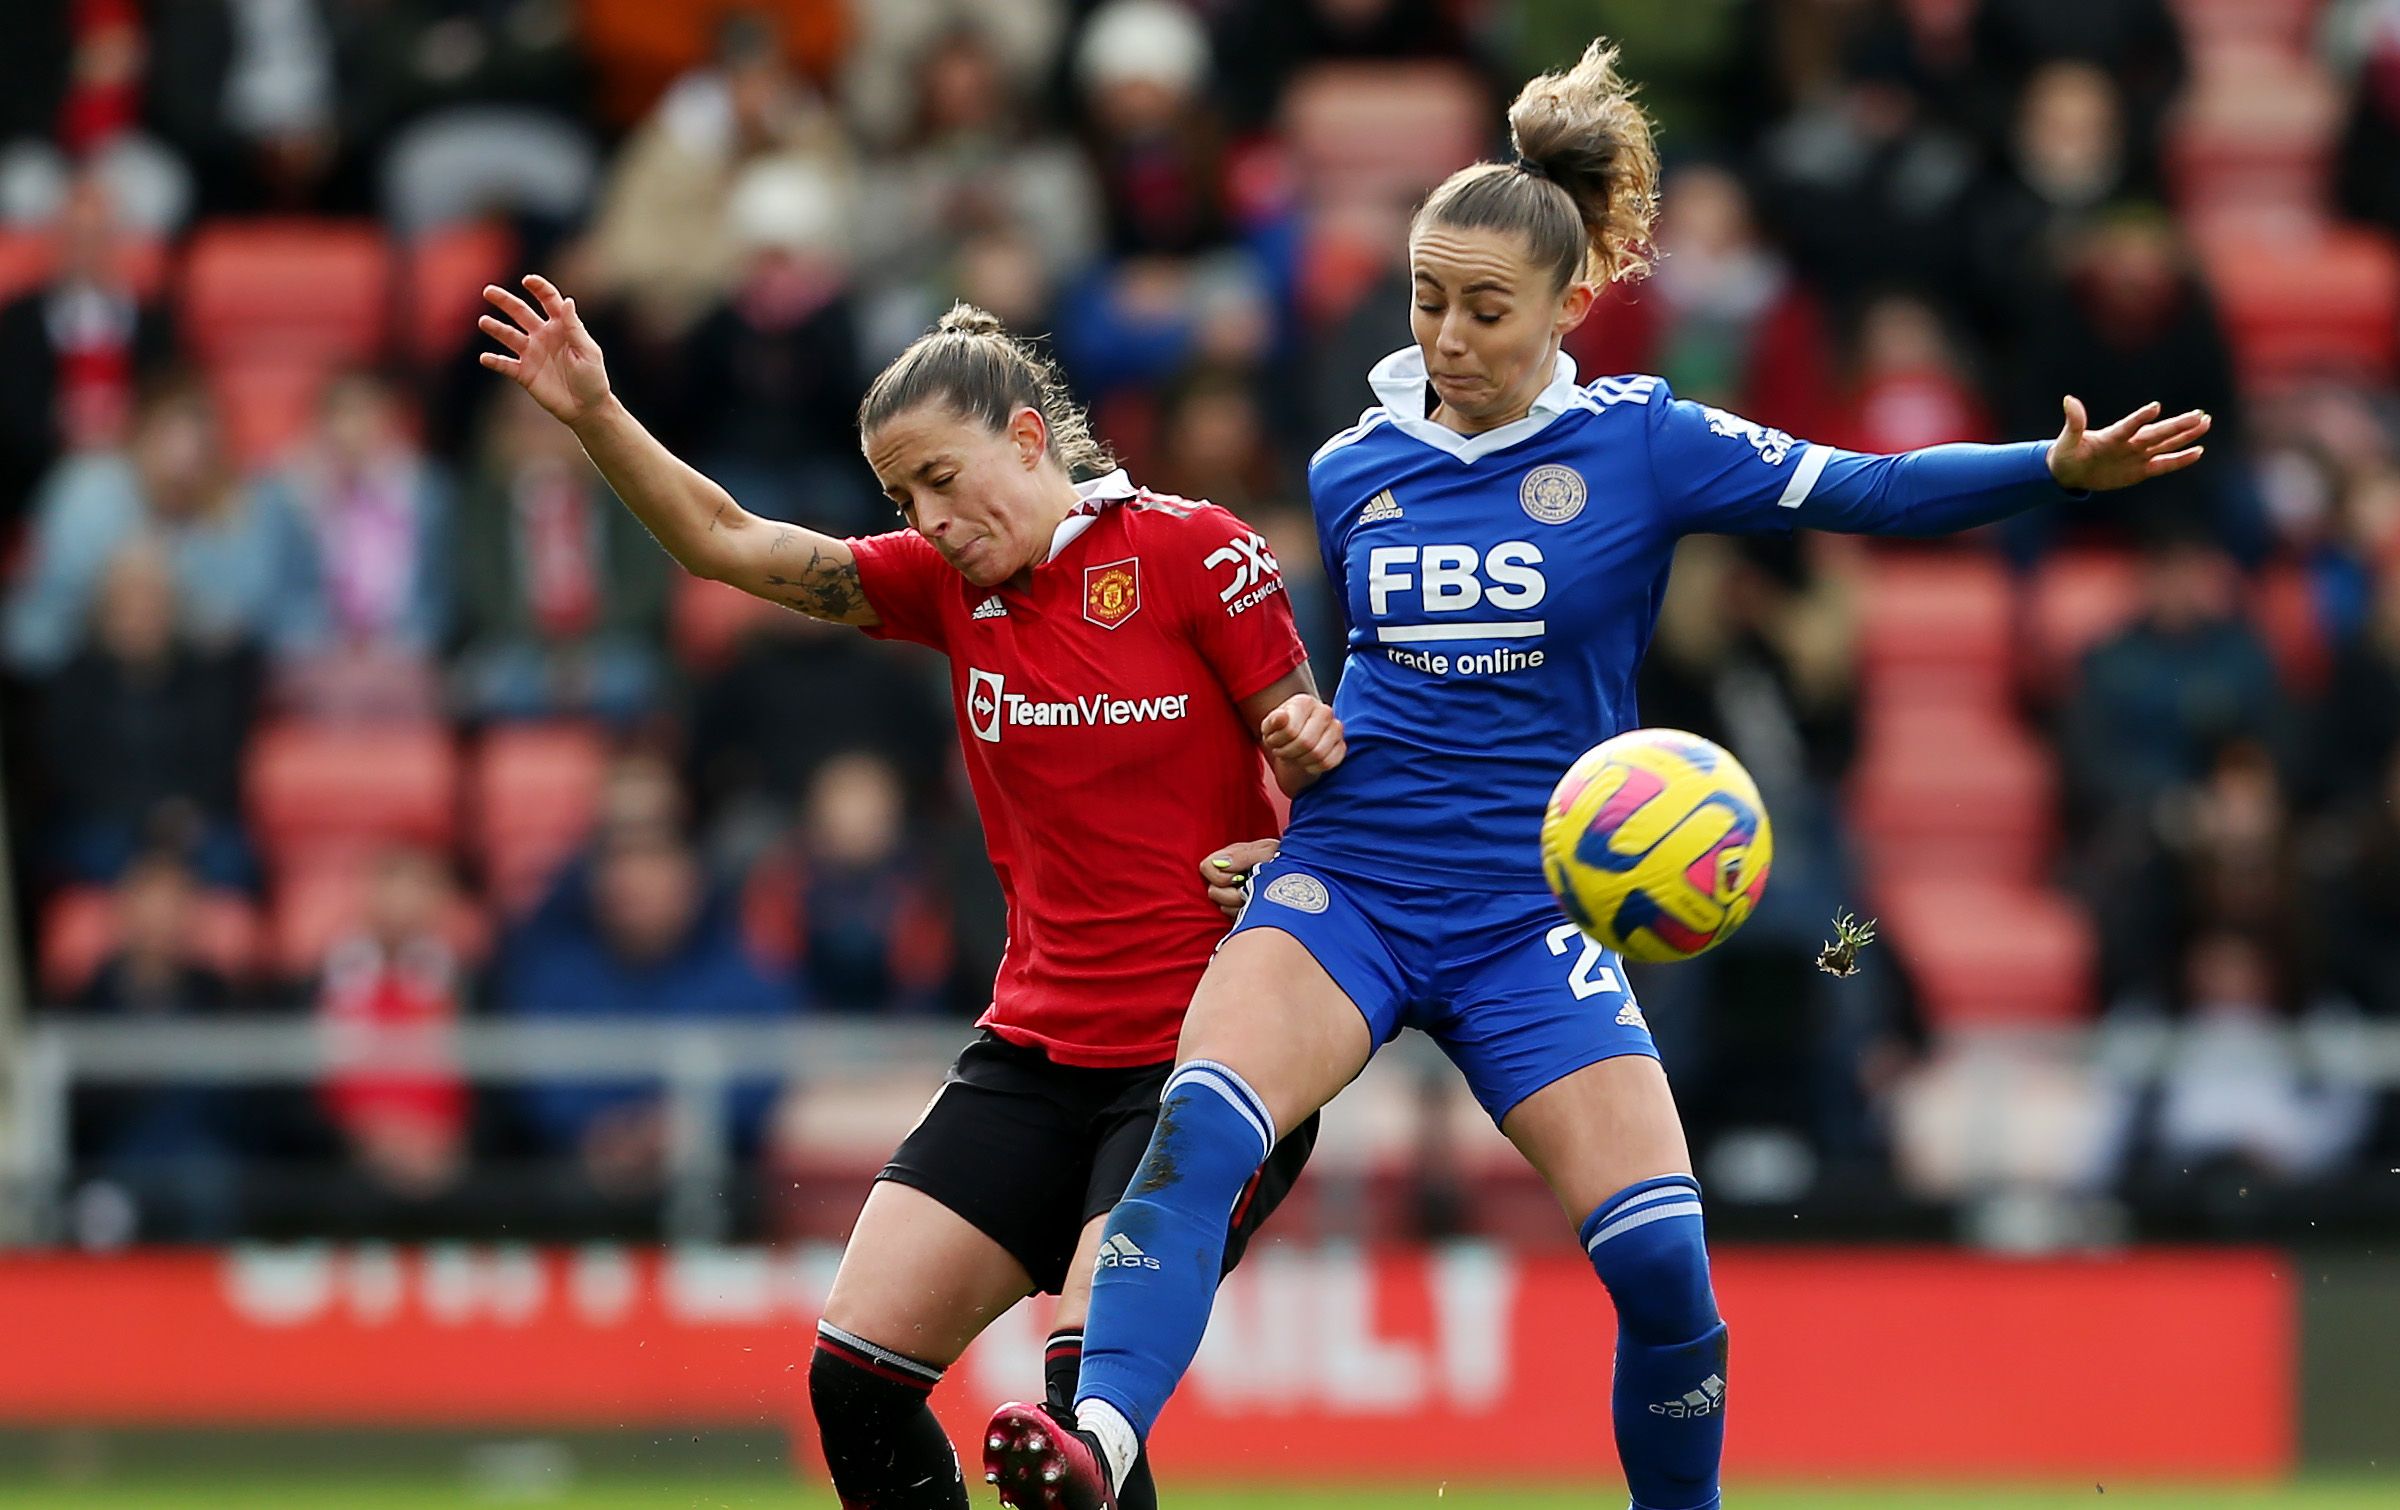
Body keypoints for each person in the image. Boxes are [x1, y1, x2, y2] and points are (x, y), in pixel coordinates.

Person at [983, 41, 2208, 1510]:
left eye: (1485, 309)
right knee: (1194, 1136)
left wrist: (2049, 475)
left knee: (1663, 1264)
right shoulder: (1349, 467)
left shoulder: (1647, 442)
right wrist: (1268, 827)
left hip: (1533, 913)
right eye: (1427, 301)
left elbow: (1860, 487)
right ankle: (1096, 1452)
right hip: (1349, 883)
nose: (1447, 336)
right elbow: (1322, 693)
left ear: (1571, 306)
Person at [475, 273, 1340, 1510]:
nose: (924, 517)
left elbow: (1315, 760)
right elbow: (728, 541)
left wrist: (1294, 856)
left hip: (1204, 1050)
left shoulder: (1195, 551)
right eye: (900, 495)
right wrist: (596, 412)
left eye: (940, 478)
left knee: (1075, 1408)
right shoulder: (949, 590)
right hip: (1037, 1051)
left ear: (1029, 438)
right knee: (854, 1380)